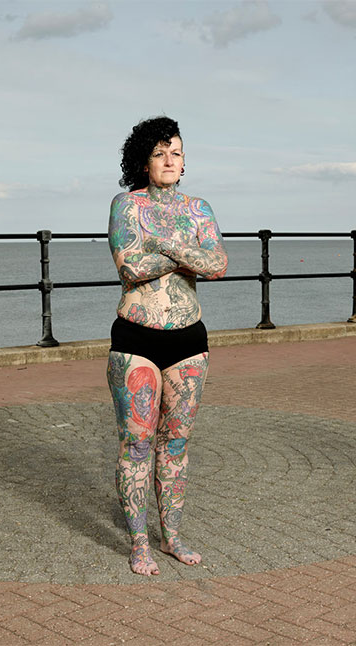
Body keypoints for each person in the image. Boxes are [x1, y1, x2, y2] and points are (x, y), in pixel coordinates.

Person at [106, 116, 228, 576]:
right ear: (144, 162)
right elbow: (129, 267)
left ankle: (171, 536)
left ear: (185, 159)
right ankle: (139, 542)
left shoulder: (199, 209)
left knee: (175, 442)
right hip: (135, 338)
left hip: (189, 340)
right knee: (136, 443)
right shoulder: (126, 205)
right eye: (160, 153)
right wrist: (185, 252)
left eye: (176, 152)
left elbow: (218, 264)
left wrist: (165, 243)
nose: (169, 160)